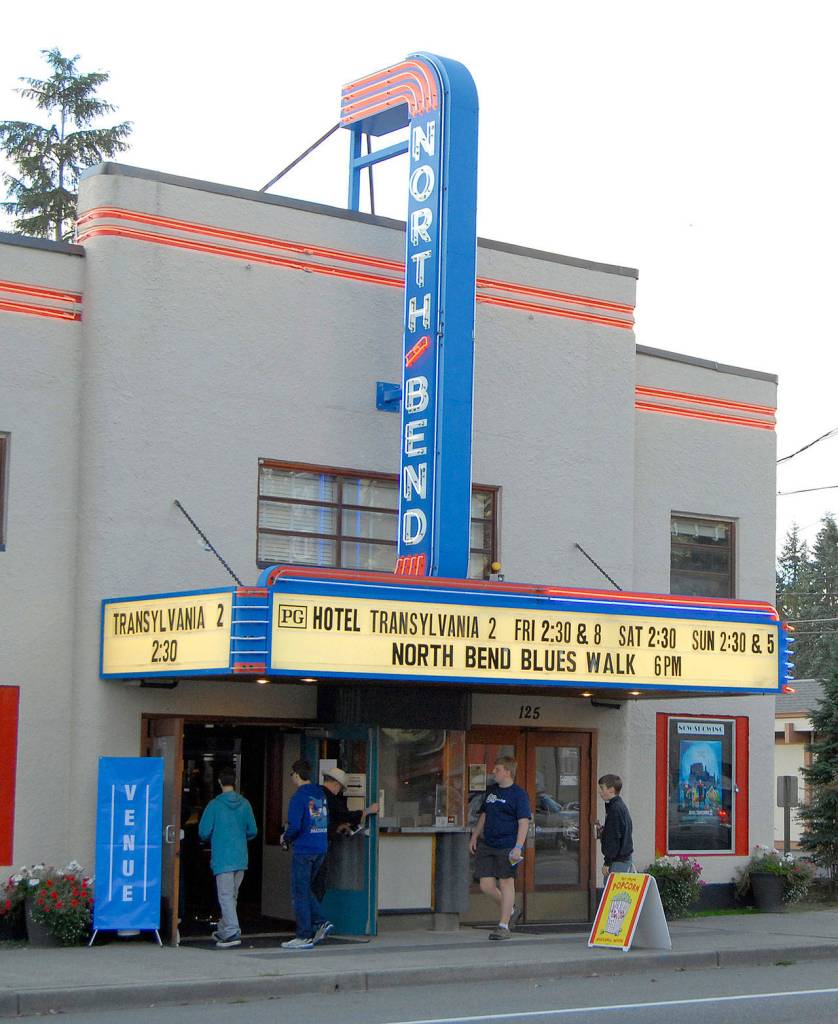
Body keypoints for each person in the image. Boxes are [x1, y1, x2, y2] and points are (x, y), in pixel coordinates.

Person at [468, 755, 531, 940]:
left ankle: (503, 926)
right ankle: (511, 910)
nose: (493, 772)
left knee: (506, 882)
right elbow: (484, 815)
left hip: (507, 845)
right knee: (486, 885)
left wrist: (518, 846)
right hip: (487, 844)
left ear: (507, 772)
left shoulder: (519, 795)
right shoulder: (492, 791)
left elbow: (524, 822)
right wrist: (474, 835)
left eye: (497, 770)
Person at [198, 767, 258, 949]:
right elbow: (253, 830)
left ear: (219, 782)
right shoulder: (245, 804)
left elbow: (203, 832)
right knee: (232, 896)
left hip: (223, 857)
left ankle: (232, 931)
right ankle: (224, 929)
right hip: (240, 856)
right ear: (235, 782)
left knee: (225, 896)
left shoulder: (215, 805)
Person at [281, 759, 331, 950]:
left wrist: (285, 838)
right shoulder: (320, 794)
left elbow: (294, 825)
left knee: (299, 892)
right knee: (306, 890)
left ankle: (306, 933)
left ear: (296, 774)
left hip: (304, 849)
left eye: (291, 774)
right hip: (320, 846)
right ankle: (317, 924)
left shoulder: (298, 797)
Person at [312, 767, 379, 903]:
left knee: (310, 885)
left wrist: (336, 827)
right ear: (336, 784)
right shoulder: (328, 796)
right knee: (318, 885)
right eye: (341, 788)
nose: (339, 792)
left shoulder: (315, 794)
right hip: (320, 847)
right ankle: (314, 920)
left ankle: (310, 921)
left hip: (311, 845)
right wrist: (367, 811)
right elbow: (343, 814)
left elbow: (317, 821)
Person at [594, 773, 634, 878]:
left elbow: (614, 837)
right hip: (623, 859)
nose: (599, 791)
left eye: (602, 788)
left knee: (613, 892)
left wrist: (607, 862)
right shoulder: (620, 807)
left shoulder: (615, 809)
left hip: (617, 861)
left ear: (611, 789)